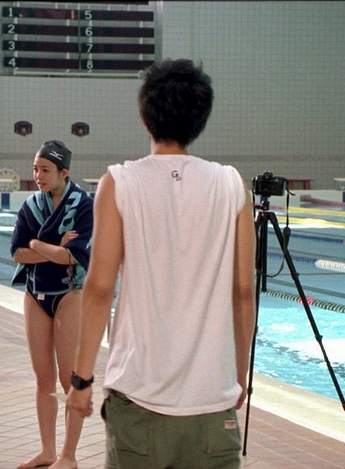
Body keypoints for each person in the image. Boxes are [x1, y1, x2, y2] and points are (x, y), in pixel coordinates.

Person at [66, 58, 257, 468]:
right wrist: (239, 376)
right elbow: (244, 292)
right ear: (201, 119)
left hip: (139, 401)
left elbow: (99, 289)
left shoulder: (120, 182)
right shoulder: (231, 184)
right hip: (212, 405)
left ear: (145, 117)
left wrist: (81, 380)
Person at [10, 140, 94, 469]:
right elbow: (17, 253)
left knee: (68, 378)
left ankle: (68, 456)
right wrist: (51, 247)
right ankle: (47, 451)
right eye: (35, 169)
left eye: (45, 170)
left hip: (70, 293)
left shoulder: (83, 205)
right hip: (35, 294)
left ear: (64, 172)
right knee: (43, 379)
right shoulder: (31, 205)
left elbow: (74, 257)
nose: (38, 176)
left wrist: (37, 244)